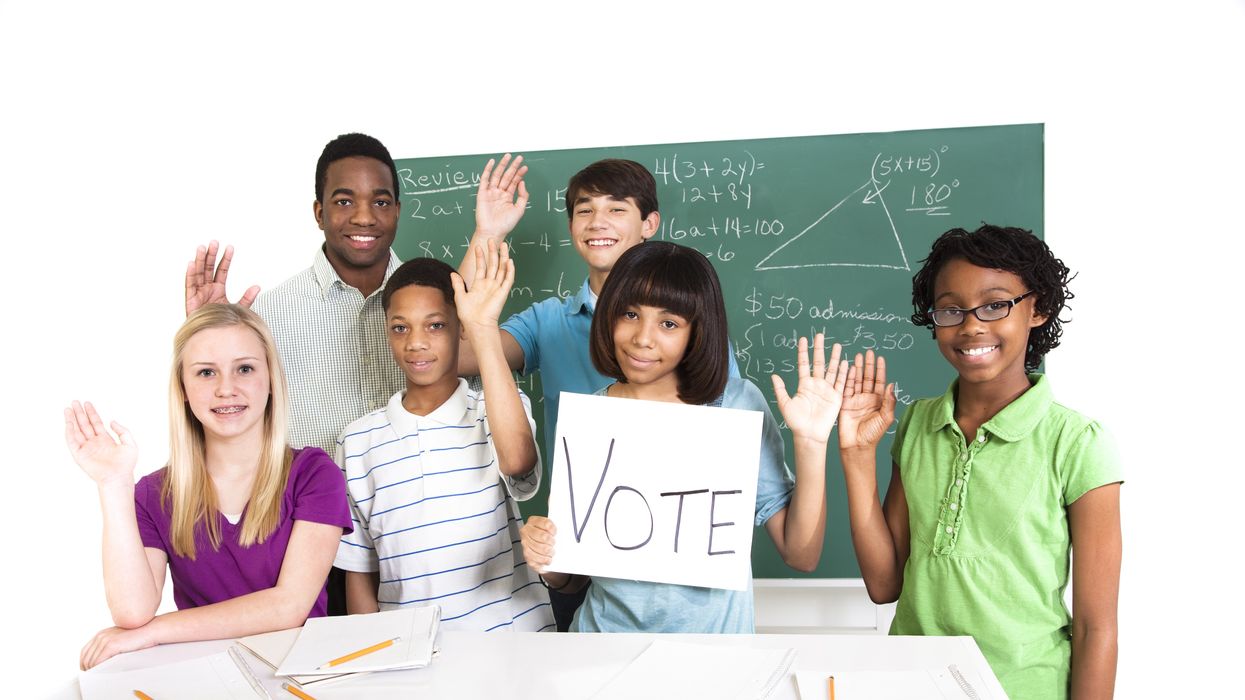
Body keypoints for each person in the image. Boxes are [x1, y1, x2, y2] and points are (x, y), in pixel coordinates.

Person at [183, 135, 529, 615]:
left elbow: (474, 331)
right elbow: (228, 410)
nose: (364, 217)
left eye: (380, 201)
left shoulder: (426, 296)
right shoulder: (274, 312)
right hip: (301, 542)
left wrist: (487, 232)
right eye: (344, 201)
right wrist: (215, 335)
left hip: (420, 547)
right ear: (319, 212)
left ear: (398, 210)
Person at [836, 225, 1122, 699]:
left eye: (995, 305)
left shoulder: (1078, 443)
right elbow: (885, 585)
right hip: (911, 685)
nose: (971, 325)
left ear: (1039, 307)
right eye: (951, 309)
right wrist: (857, 455)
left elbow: (1096, 627)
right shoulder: (918, 425)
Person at [458, 158, 740, 629]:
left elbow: (724, 440)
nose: (598, 223)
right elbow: (461, 348)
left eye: (616, 209)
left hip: (670, 555)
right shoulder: (549, 320)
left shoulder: (692, 329)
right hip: (575, 546)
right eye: (585, 210)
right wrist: (487, 235)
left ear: (650, 224)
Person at [518, 241, 846, 633]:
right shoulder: (592, 418)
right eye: (629, 314)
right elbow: (572, 577)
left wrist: (811, 444)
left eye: (669, 323)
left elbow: (801, 554)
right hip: (602, 650)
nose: (643, 337)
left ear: (697, 332)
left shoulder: (736, 405)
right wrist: (547, 561)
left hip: (714, 664)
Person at [64, 304, 351, 670]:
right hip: (207, 676)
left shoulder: (312, 473)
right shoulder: (153, 495)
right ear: (183, 388)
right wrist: (113, 484)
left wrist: (155, 632)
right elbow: (132, 612)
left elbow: (289, 607)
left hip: (302, 676)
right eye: (205, 373)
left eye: (244, 369)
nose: (226, 389)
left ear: (271, 380)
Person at [333, 243, 554, 632]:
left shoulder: (496, 409)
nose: (416, 342)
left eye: (435, 325)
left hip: (512, 643)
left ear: (460, 327)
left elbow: (520, 462)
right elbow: (359, 569)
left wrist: (483, 328)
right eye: (400, 327)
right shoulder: (357, 443)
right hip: (408, 652)